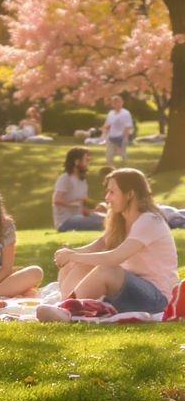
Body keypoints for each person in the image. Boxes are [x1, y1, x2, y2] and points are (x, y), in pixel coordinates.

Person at [55, 168, 179, 313]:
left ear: (130, 194)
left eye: (112, 192)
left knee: (107, 268)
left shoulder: (149, 221)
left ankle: (66, 309)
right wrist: (68, 255)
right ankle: (66, 303)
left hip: (157, 299)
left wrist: (73, 256)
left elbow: (115, 258)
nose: (107, 197)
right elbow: (94, 247)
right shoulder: (121, 221)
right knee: (80, 262)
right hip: (131, 290)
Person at [52, 148, 104, 232]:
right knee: (103, 222)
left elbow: (82, 205)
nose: (88, 162)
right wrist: (73, 204)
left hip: (79, 217)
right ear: (76, 162)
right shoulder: (65, 178)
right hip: (66, 222)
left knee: (108, 218)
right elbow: (56, 200)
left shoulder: (82, 180)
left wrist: (93, 210)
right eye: (86, 160)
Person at [102, 95, 134, 164]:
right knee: (109, 154)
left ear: (122, 102)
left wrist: (123, 138)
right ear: (112, 104)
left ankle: (124, 166)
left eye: (118, 102)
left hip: (121, 136)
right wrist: (104, 135)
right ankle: (110, 167)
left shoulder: (125, 113)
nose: (116, 104)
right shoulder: (110, 113)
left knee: (122, 154)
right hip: (111, 136)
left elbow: (128, 127)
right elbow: (107, 125)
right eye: (114, 102)